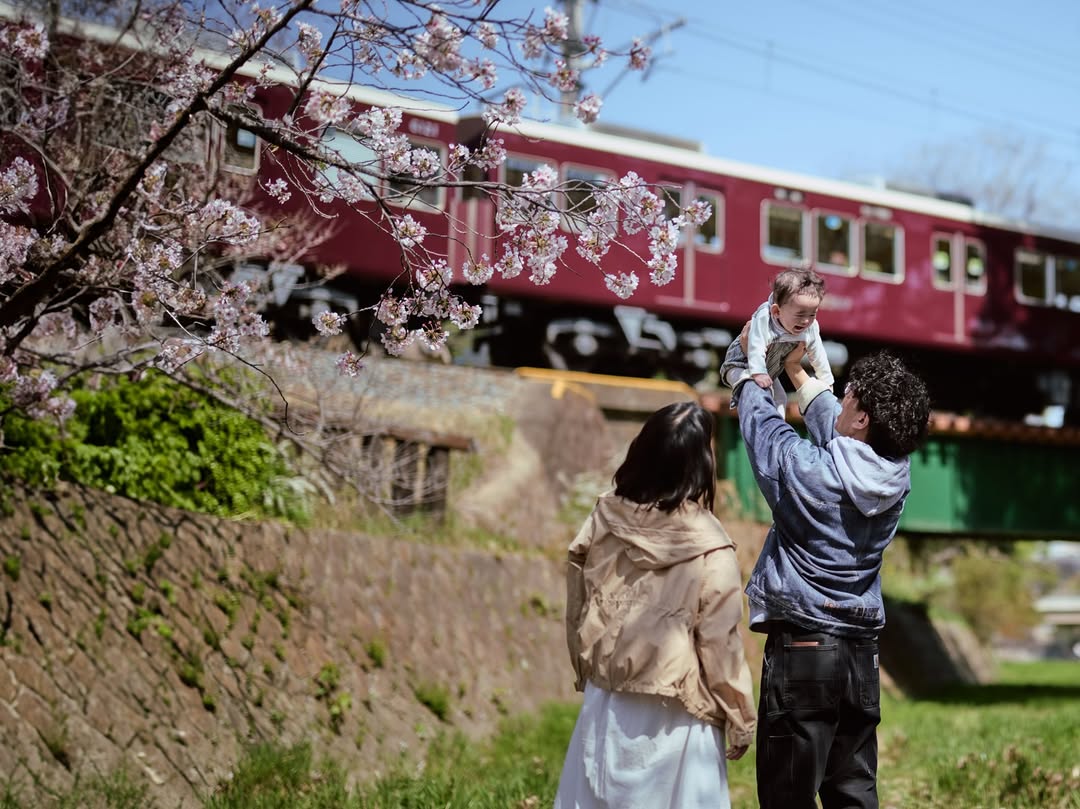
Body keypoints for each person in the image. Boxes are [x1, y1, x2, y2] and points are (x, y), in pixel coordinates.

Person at [731, 339, 931, 809]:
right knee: (854, 795)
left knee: (788, 796)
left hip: (805, 652)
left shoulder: (808, 471)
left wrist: (744, 367)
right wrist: (799, 376)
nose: (841, 397)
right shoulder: (894, 476)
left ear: (862, 418)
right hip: (861, 655)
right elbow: (841, 440)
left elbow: (765, 432)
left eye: (851, 394)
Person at [555, 401, 757, 809]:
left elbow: (578, 601)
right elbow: (720, 642)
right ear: (700, 463)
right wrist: (740, 715)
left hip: (608, 698)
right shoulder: (709, 544)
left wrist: (585, 666)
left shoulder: (603, 517)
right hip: (677, 710)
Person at [719, 267, 834, 416]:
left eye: (812, 314)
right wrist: (758, 372)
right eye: (800, 315)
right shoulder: (765, 318)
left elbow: (818, 354)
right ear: (776, 312)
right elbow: (756, 347)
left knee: (780, 397)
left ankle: (776, 431)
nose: (806, 321)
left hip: (768, 370)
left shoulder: (811, 327)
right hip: (741, 363)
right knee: (751, 386)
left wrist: (826, 380)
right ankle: (751, 419)